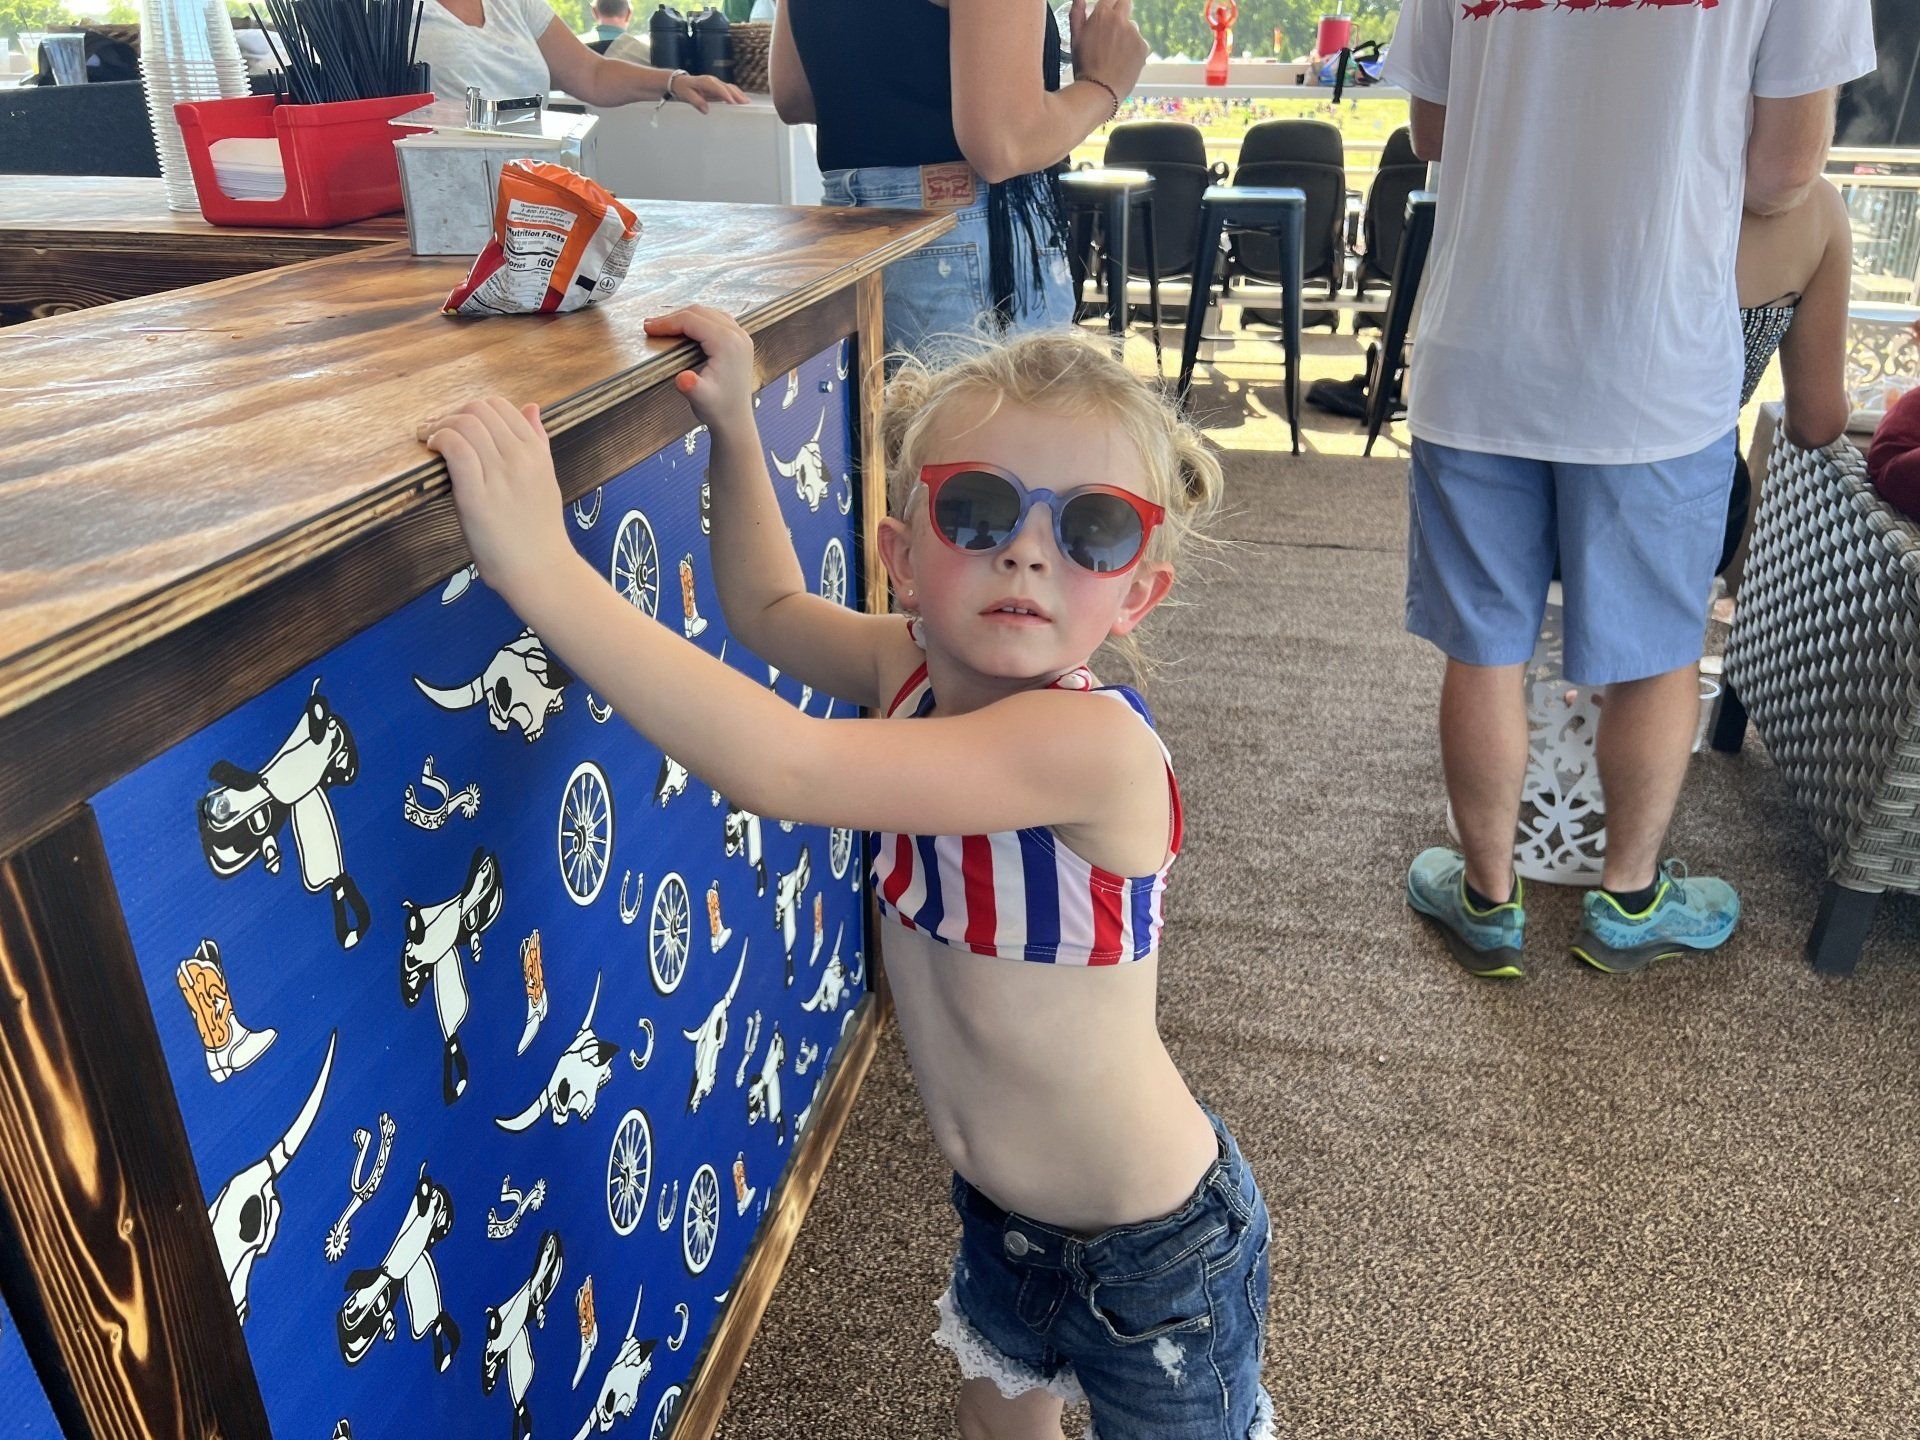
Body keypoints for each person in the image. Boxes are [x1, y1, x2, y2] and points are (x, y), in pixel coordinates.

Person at [421, 314, 1275, 1440]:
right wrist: (733, 424)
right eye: (978, 510)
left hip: (1155, 1248)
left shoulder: (1092, 751)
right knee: (992, 1430)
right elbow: (766, 611)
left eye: (1093, 529)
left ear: (1136, 596)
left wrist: (538, 568)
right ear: (902, 556)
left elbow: (786, 763)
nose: (1028, 551)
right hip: (1007, 1218)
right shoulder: (908, 668)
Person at [1384, 0, 1878, 977]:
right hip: (1649, 361)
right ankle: (1629, 900)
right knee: (1655, 652)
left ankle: (1488, 900)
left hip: (1481, 344)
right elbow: (1784, 178)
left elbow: (1431, 130)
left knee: (1484, 644)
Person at [769, 0, 1150, 357]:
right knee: (997, 426)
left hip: (844, 234)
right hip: (965, 236)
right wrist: (1104, 86)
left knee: (878, 425)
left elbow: (795, 94)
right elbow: (1005, 143)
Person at [1719, 179, 1856, 575]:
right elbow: (1816, 422)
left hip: (1540, 458)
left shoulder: (1599, 161)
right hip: (1692, 488)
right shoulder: (1819, 206)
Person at [414, 0, 745, 113]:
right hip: (440, 203)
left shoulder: (514, 4)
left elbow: (591, 73)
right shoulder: (384, 12)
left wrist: (675, 81)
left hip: (528, 202)